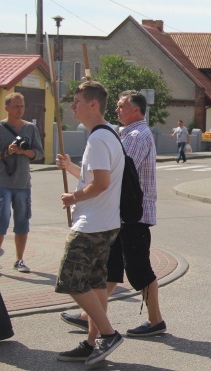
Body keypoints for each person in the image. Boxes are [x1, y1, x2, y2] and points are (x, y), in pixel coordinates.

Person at [60, 90, 166, 338]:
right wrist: (73, 167)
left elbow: (114, 175)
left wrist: (79, 194)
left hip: (133, 215)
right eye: (117, 106)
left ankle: (155, 320)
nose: (117, 110)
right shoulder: (125, 134)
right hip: (120, 214)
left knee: (139, 269)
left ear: (136, 111)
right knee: (111, 267)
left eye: (121, 106)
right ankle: (91, 315)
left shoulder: (138, 135)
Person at [54, 81, 124, 365]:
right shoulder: (108, 134)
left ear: (93, 105)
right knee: (95, 284)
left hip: (91, 225)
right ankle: (92, 343)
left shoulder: (97, 139)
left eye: (77, 101)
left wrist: (72, 197)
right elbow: (95, 178)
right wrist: (72, 168)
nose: (72, 106)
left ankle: (108, 334)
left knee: (70, 280)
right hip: (106, 223)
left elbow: (101, 183)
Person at [0, 93, 44, 273]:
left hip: (23, 184)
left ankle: (19, 260)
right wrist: (8, 152)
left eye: (22, 106)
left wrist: (25, 152)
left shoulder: (31, 128)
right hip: (2, 183)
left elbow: (39, 153)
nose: (20, 109)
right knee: (1, 222)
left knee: (22, 223)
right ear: (7, 107)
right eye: (16, 106)